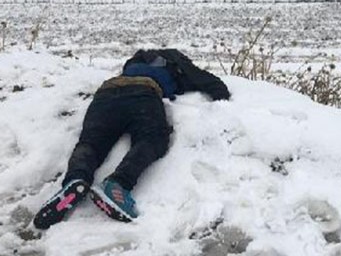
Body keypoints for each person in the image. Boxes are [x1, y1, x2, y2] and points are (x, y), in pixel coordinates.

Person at [33, 49, 231, 229]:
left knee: (91, 143)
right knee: (153, 138)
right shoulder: (177, 62)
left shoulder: (135, 62)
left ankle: (76, 179)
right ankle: (118, 184)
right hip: (143, 94)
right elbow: (215, 85)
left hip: (105, 95)